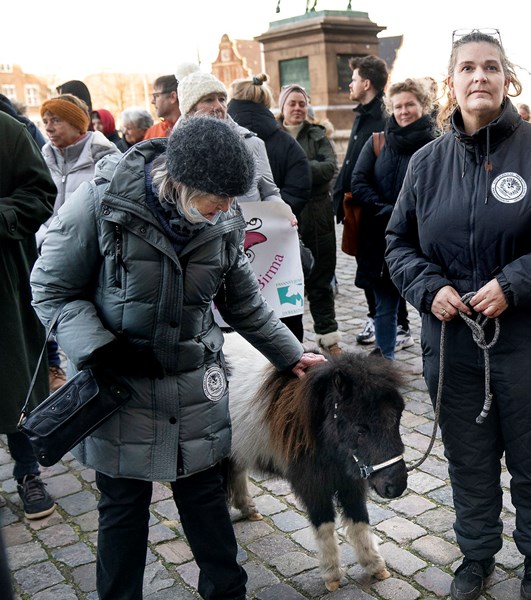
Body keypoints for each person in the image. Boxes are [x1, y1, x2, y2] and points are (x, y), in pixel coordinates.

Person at [30, 116, 326, 599]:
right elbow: (50, 287)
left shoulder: (223, 218)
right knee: (124, 509)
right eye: (219, 198)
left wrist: (293, 356)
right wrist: (100, 350)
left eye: (234, 198)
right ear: (180, 181)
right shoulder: (102, 202)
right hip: (119, 386)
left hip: (193, 386)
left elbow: (245, 304)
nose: (229, 209)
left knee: (206, 502)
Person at [385, 30, 531, 600]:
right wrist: (429, 288)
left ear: (508, 79)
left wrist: (513, 284)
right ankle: (476, 554)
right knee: (470, 460)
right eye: (468, 69)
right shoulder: (426, 163)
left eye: (491, 68)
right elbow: (397, 243)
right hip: (453, 344)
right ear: (450, 84)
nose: (480, 77)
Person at [350, 78, 436, 360]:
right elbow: (359, 180)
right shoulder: (377, 142)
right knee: (384, 306)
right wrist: (385, 208)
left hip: (424, 238)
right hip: (381, 238)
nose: (403, 111)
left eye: (410, 104)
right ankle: (386, 362)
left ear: (422, 105)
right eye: (398, 106)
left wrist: (408, 213)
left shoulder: (438, 145)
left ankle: (436, 360)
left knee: (431, 303)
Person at [1, 111, 58, 521]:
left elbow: (40, 194)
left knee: (12, 375)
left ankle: (27, 471)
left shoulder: (7, 130)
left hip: (2, 279)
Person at [227, 74, 311, 341]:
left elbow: (271, 190)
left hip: (240, 241)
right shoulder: (284, 141)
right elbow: (291, 188)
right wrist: (278, 217)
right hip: (268, 245)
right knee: (281, 320)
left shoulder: (252, 142)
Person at [333, 55, 409, 348]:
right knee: (371, 270)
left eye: (353, 79)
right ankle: (377, 316)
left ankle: (397, 325)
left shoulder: (383, 119)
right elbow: (353, 164)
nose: (349, 84)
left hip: (378, 212)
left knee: (385, 271)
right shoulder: (362, 113)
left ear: (366, 83)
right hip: (360, 208)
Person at [279, 83, 343, 355]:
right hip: (284, 218)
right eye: (292, 103)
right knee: (285, 281)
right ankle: (288, 344)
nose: (297, 108)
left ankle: (329, 337)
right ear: (282, 107)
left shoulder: (317, 134)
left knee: (321, 279)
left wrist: (294, 168)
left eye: (301, 103)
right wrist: (306, 169)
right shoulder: (272, 136)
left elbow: (329, 167)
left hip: (318, 217)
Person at [38, 94, 120, 248]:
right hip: (47, 252)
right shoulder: (41, 162)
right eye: (45, 122)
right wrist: (42, 239)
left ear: (77, 123)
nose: (48, 128)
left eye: (56, 120)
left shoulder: (106, 161)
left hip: (91, 255)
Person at [144, 74, 180, 140]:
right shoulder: (152, 133)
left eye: (156, 96)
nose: (152, 101)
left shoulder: (193, 130)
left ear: (173, 97)